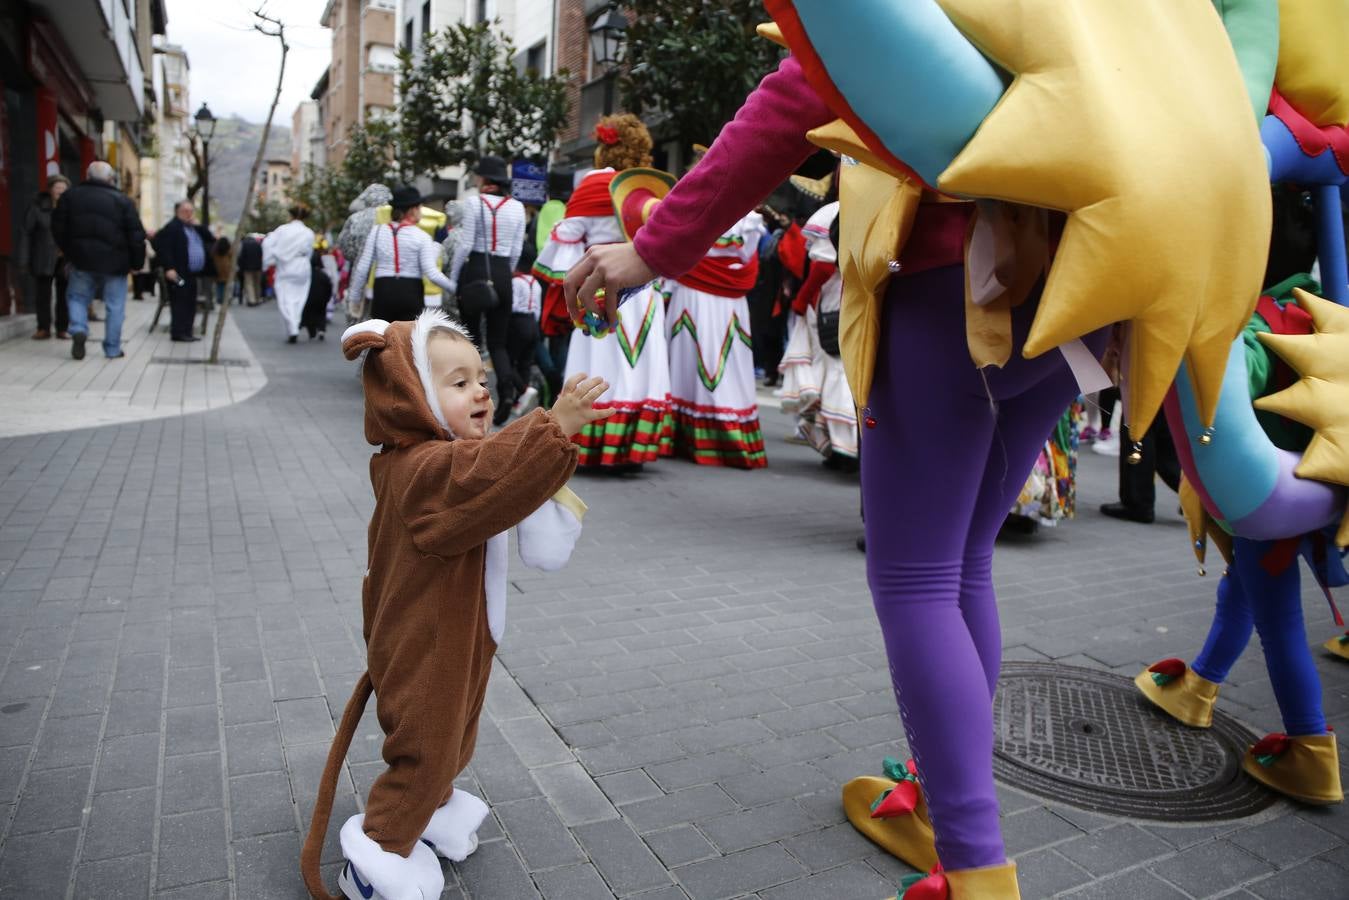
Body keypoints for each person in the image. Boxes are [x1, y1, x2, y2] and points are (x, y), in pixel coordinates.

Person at [561, 8, 1267, 894]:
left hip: (953, 280)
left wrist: (653, 249)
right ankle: (943, 796)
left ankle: (974, 866)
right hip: (1093, 280)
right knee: (963, 563)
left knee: (917, 579)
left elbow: (800, 88)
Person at [299, 310, 609, 900]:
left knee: (453, 735)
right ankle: (376, 860)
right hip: (422, 639)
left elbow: (495, 477)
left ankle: (434, 812)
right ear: (410, 394)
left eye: (482, 380)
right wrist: (551, 429)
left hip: (460, 635)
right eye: (458, 382)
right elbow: (479, 477)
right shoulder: (418, 468)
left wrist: (543, 446)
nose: (481, 393)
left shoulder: (448, 454)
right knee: (425, 745)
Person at [535, 115, 674, 469]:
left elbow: (568, 238)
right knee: (640, 361)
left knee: (601, 361)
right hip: (644, 289)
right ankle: (633, 447)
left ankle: (593, 442)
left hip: (599, 283)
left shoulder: (592, 184)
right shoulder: (644, 188)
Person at [446, 156, 527, 420]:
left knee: (471, 340)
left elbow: (465, 245)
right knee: (498, 342)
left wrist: (455, 278)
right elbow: (515, 252)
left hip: (476, 270)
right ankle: (506, 392)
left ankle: (473, 396)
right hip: (503, 273)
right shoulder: (517, 207)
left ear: (485, 179)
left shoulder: (473, 203)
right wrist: (503, 272)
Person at [51, 160, 145, 360]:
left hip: (81, 260)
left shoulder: (70, 197)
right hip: (115, 263)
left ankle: (77, 328)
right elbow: (136, 235)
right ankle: (112, 349)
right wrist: (136, 264)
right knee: (115, 305)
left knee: (77, 297)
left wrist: (69, 251)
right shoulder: (123, 201)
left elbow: (58, 228)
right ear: (111, 178)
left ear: (87, 175)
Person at [346, 185, 455, 325]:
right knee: (408, 339)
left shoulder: (377, 231)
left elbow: (362, 268)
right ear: (412, 210)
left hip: (382, 291)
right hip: (410, 292)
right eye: (419, 207)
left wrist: (354, 298)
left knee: (381, 338)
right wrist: (455, 288)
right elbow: (432, 273)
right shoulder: (422, 236)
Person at [152, 199, 214, 343]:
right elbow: (162, 247)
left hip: (192, 274)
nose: (188, 214)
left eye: (191, 211)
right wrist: (169, 267)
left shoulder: (192, 228)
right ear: (177, 212)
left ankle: (187, 330)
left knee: (190, 301)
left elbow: (210, 238)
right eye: (185, 211)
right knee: (180, 300)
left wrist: (197, 224)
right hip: (178, 274)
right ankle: (178, 332)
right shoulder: (172, 227)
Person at [18, 174, 69, 340]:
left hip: (65, 258)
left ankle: (62, 328)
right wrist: (24, 259)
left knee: (64, 294)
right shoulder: (37, 207)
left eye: (63, 188)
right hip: (43, 255)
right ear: (50, 189)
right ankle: (43, 328)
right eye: (57, 187)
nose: (60, 191)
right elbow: (26, 233)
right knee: (43, 294)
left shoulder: (70, 207)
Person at [336, 184, 392, 321]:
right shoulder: (393, 218)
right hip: (386, 275)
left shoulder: (355, 219)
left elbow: (344, 246)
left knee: (357, 316)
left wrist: (356, 257)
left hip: (359, 271)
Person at [263, 206, 316, 343]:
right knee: (299, 297)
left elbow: (268, 243)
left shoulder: (282, 230)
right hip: (302, 266)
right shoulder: (308, 232)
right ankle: (295, 322)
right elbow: (310, 252)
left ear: (291, 216)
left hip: (285, 267)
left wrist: (270, 259)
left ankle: (292, 325)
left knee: (285, 298)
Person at [508, 254, 543, 418]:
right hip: (532, 324)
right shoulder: (536, 283)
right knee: (525, 363)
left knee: (508, 361)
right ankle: (519, 401)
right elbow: (537, 310)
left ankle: (523, 390)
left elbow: (512, 305)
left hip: (518, 322)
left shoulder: (515, 281)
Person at [301, 250, 333, 341]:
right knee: (321, 313)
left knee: (309, 314)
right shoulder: (323, 275)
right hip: (322, 299)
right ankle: (321, 330)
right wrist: (327, 298)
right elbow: (329, 287)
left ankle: (312, 332)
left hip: (308, 298)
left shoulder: (305, 275)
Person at [237, 233, 263, 306]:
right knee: (257, 284)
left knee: (249, 284)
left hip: (247, 267)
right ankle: (258, 298)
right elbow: (261, 255)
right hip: (258, 267)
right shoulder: (258, 244)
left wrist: (241, 267)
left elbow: (241, 257)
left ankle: (252, 300)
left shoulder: (244, 244)